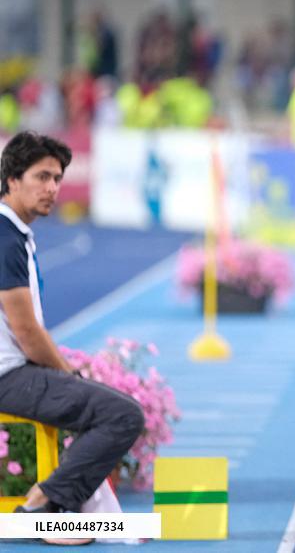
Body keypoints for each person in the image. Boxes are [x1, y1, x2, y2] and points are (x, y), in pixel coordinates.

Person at [0, 132, 145, 533]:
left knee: (107, 405)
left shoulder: (11, 235)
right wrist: (67, 372)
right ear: (12, 179)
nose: (52, 188)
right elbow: (27, 332)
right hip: (8, 375)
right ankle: (43, 508)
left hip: (14, 370)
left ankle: (52, 505)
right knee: (123, 414)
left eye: (58, 178)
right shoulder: (5, 238)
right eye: (41, 177)